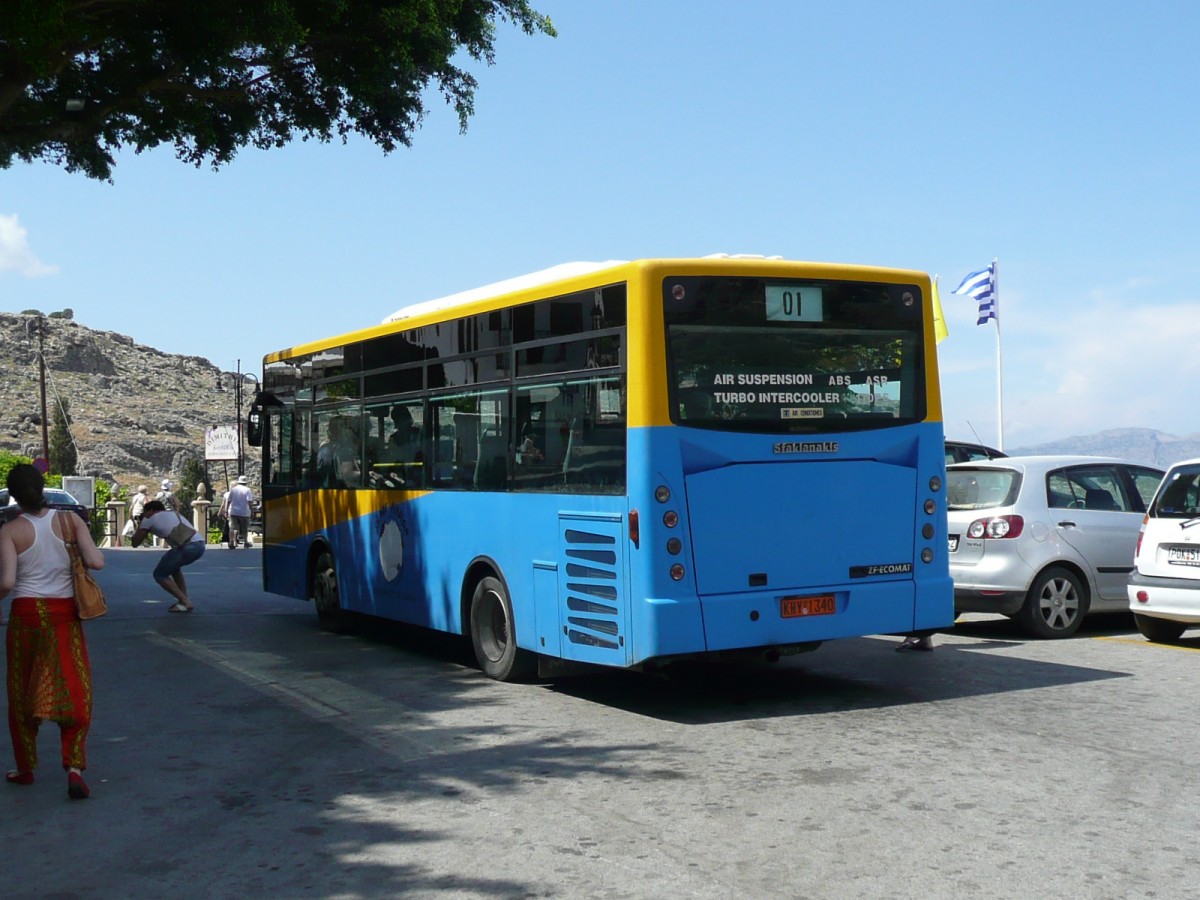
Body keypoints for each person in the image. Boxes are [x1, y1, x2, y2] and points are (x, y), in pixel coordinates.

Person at [0, 463, 104, 800]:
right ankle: (73, 766)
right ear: (43, 487)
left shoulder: (10, 530)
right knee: (74, 686)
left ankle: (25, 768)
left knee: (22, 690)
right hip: (64, 615)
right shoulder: (69, 520)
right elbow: (97, 562)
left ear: (13, 494)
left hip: (25, 615)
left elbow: (7, 583)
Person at [131, 499, 205, 612]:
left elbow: (135, 543)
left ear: (150, 510)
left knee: (159, 574)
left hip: (186, 548)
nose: (143, 514)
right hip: (200, 545)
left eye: (144, 511)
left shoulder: (148, 518)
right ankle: (183, 600)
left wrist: (141, 524)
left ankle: (185, 602)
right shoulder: (174, 513)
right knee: (174, 569)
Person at [226, 475, 254, 549]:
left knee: (232, 527)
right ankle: (245, 541)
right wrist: (252, 510)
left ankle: (231, 541)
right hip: (244, 512)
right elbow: (249, 501)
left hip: (234, 511)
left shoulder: (233, 490)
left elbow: (229, 501)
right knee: (245, 527)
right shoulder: (247, 490)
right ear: (245, 482)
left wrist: (226, 510)